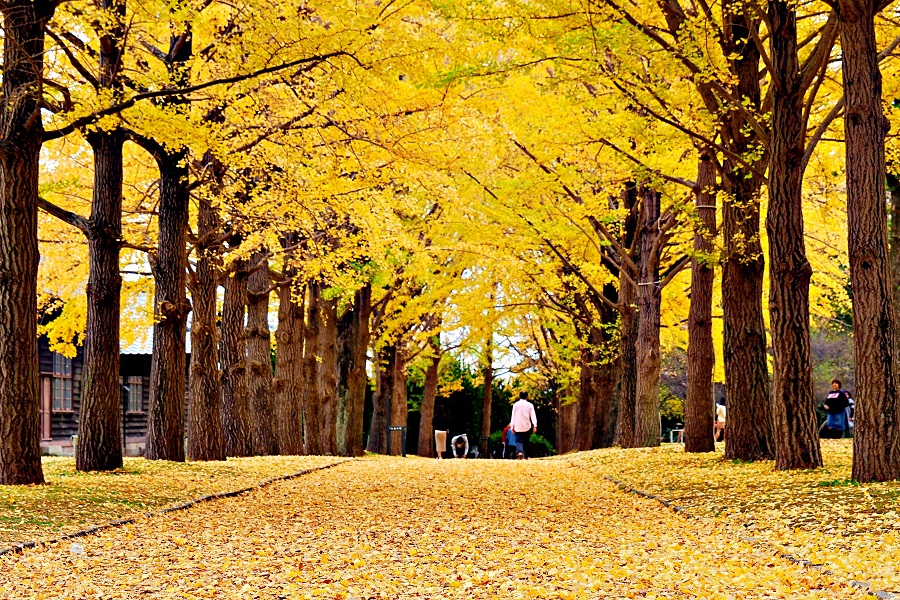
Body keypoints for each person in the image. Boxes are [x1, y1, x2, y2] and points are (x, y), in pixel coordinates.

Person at [509, 391, 537, 459]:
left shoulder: (516, 405)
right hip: (526, 426)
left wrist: (512, 425)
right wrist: (535, 425)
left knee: (518, 440)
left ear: (519, 396)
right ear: (527, 396)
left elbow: (513, 416)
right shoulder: (530, 405)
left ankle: (520, 452)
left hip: (517, 425)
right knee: (526, 441)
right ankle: (526, 456)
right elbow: (533, 416)